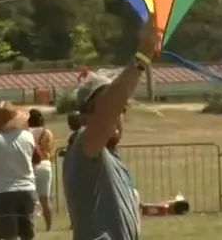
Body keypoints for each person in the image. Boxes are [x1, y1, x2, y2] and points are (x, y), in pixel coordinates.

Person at [62, 18, 160, 240]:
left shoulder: (112, 160)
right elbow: (107, 109)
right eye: (109, 107)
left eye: (121, 109)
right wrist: (142, 57)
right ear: (85, 115)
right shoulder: (82, 147)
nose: (116, 115)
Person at [0, 101, 42, 240]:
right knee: (28, 235)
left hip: (2, 192)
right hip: (27, 191)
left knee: (8, 236)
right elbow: (38, 158)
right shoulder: (28, 136)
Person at [27, 108, 54, 231]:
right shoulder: (47, 132)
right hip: (45, 165)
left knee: (31, 199)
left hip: (32, 165)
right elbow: (49, 148)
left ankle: (31, 227)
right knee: (45, 200)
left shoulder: (27, 133)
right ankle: (49, 227)